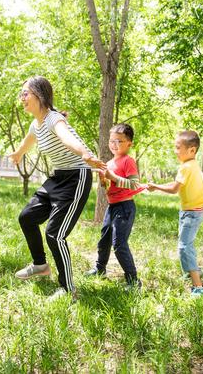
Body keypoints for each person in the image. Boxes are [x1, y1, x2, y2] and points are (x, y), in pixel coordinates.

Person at [10, 76, 105, 300]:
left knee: (55, 234)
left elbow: (67, 138)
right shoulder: (36, 124)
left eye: (25, 93)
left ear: (39, 96)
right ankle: (40, 265)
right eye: (21, 94)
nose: (22, 98)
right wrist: (18, 153)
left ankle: (68, 288)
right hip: (58, 177)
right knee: (27, 217)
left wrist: (84, 153)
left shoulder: (54, 119)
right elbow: (28, 141)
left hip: (76, 178)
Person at [147, 131, 203, 297]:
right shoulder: (192, 165)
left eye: (178, 147)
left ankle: (198, 286)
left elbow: (174, 189)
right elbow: (177, 184)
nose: (175, 151)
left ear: (192, 150)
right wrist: (156, 185)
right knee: (186, 245)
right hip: (191, 212)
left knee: (184, 247)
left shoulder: (185, 166)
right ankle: (192, 271)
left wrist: (156, 187)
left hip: (191, 214)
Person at [85, 123, 145, 288]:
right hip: (112, 207)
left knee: (119, 244)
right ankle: (100, 269)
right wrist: (104, 180)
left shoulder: (128, 161)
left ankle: (133, 281)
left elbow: (134, 184)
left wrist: (112, 176)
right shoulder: (110, 162)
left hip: (125, 207)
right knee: (104, 240)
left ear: (129, 144)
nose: (114, 144)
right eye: (112, 141)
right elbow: (109, 187)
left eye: (119, 141)